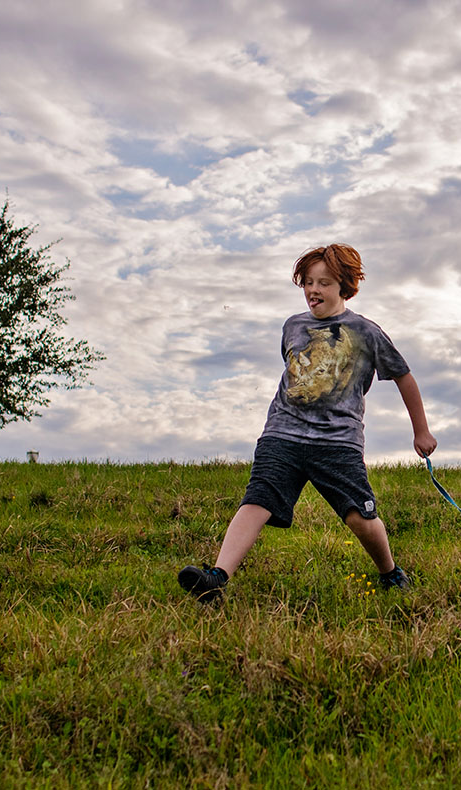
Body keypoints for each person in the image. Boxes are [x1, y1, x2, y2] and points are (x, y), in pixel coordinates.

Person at [178, 243, 438, 603]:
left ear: (345, 287)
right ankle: (217, 578)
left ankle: (390, 573)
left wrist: (420, 430)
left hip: (337, 442)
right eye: (308, 282)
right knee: (257, 499)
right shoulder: (293, 327)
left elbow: (404, 376)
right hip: (281, 433)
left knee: (359, 517)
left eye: (325, 283)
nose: (314, 290)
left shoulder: (366, 332)